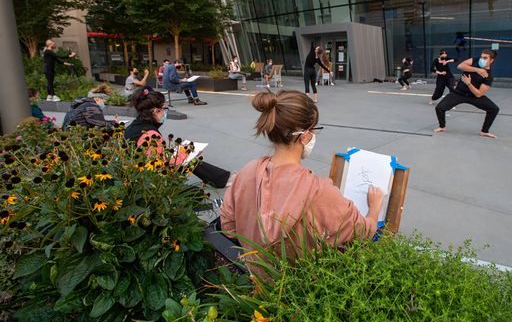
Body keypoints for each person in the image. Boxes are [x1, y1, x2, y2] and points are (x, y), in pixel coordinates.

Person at [220, 90, 384, 253]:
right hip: (302, 278)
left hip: (253, 272)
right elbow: (362, 232)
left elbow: (228, 225)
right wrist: (374, 208)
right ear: (304, 136)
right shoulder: (319, 191)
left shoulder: (247, 172)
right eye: (314, 130)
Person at [124, 88, 230, 188]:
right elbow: (160, 168)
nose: (165, 113)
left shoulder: (135, 127)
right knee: (195, 191)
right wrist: (185, 154)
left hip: (136, 174)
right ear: (155, 111)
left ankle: (223, 178)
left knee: (188, 156)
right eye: (164, 109)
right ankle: (224, 179)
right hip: (149, 183)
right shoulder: (150, 134)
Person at [433, 49, 500, 139]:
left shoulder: (489, 76)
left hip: (473, 96)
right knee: (439, 108)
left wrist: (469, 83)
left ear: (491, 60)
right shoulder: (475, 61)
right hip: (459, 93)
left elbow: (478, 94)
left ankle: (484, 131)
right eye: (481, 57)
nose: (481, 59)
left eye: (485, 58)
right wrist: (477, 70)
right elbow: (460, 66)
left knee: (494, 109)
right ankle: (442, 127)